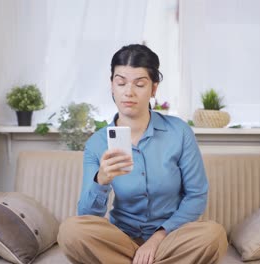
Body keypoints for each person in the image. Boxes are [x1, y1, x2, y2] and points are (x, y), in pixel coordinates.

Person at [57, 44, 228, 264]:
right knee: (71, 231)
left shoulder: (179, 132)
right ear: (112, 86)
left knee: (213, 235)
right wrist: (101, 180)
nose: (128, 92)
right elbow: (87, 216)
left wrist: (157, 238)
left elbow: (196, 195)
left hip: (169, 240)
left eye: (139, 84)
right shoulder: (97, 143)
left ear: (154, 88)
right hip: (121, 240)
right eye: (121, 83)